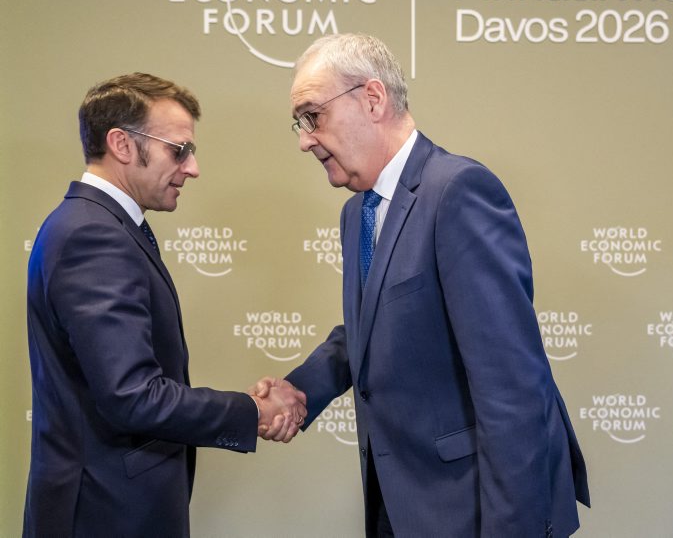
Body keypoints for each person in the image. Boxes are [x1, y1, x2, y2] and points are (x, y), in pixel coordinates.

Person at [256, 34, 590, 536]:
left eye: (313, 116)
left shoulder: (457, 191)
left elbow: (512, 386)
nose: (304, 140)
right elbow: (372, 331)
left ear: (372, 99)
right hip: (400, 502)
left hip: (471, 508)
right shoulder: (357, 212)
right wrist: (300, 390)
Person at [24, 73, 307, 538]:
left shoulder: (102, 225)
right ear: (121, 144)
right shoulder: (93, 235)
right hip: (105, 515)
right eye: (179, 150)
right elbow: (133, 396)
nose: (192, 168)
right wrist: (253, 412)